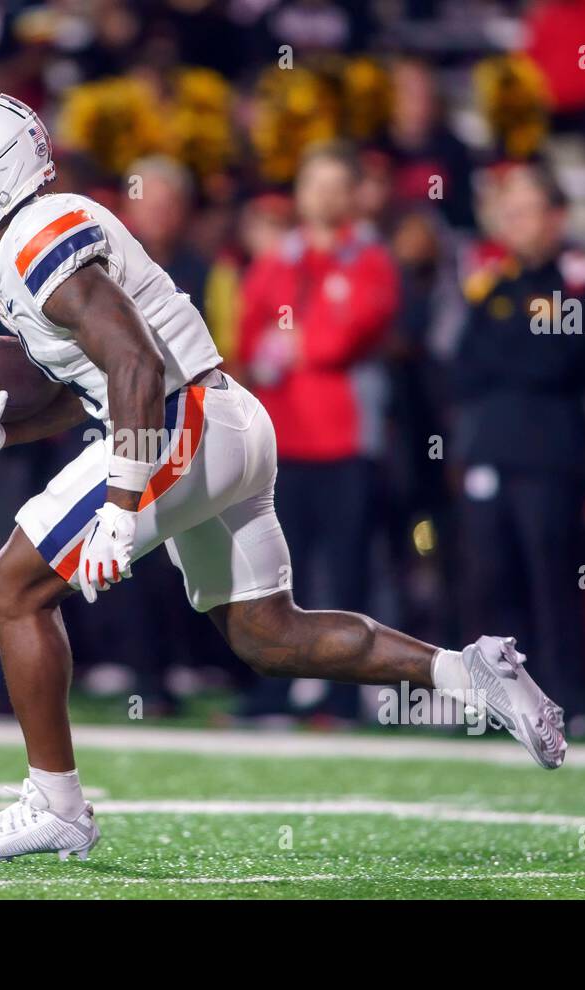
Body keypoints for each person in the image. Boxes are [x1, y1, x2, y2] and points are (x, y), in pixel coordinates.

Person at [0, 90, 567, 863]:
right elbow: (89, 381)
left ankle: (57, 803)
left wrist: (119, 507)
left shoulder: (33, 237)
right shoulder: (24, 240)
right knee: (266, 633)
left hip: (181, 421)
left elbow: (135, 364)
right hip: (219, 418)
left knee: (12, 586)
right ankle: (465, 670)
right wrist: (3, 431)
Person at [235, 142, 397, 724]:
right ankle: (274, 693)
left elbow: (348, 335)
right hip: (281, 443)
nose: (325, 196)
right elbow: (248, 336)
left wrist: (300, 343)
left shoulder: (369, 257)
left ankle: (342, 697)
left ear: (354, 194)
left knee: (347, 574)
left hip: (347, 442)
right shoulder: (278, 258)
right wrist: (297, 343)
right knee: (271, 574)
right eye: (314, 183)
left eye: (337, 185)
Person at [451, 164, 585, 730]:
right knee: (490, 578)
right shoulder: (493, 282)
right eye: (507, 211)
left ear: (557, 215)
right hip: (492, 450)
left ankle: (566, 699)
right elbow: (463, 366)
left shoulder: (579, 280)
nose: (514, 222)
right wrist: (516, 357)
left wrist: (505, 358)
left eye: (526, 210)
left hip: (549, 455)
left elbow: (562, 362)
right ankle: (497, 703)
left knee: (552, 578)